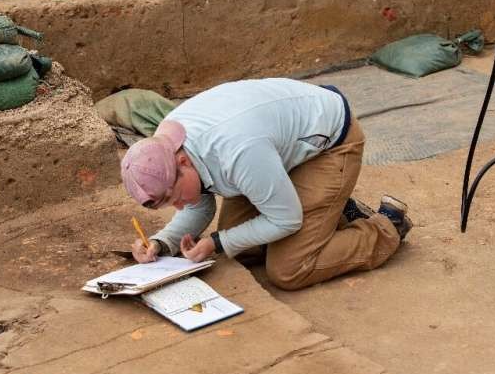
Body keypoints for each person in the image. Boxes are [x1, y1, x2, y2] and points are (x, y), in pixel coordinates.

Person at [120, 78, 412, 291]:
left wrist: (218, 242)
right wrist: (162, 242)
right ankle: (331, 209)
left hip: (331, 142)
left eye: (174, 198)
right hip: (275, 152)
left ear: (182, 162)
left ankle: (387, 226)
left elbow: (286, 220)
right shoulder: (170, 144)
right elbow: (199, 203)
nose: (178, 206)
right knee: (243, 250)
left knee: (289, 268)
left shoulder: (237, 152)